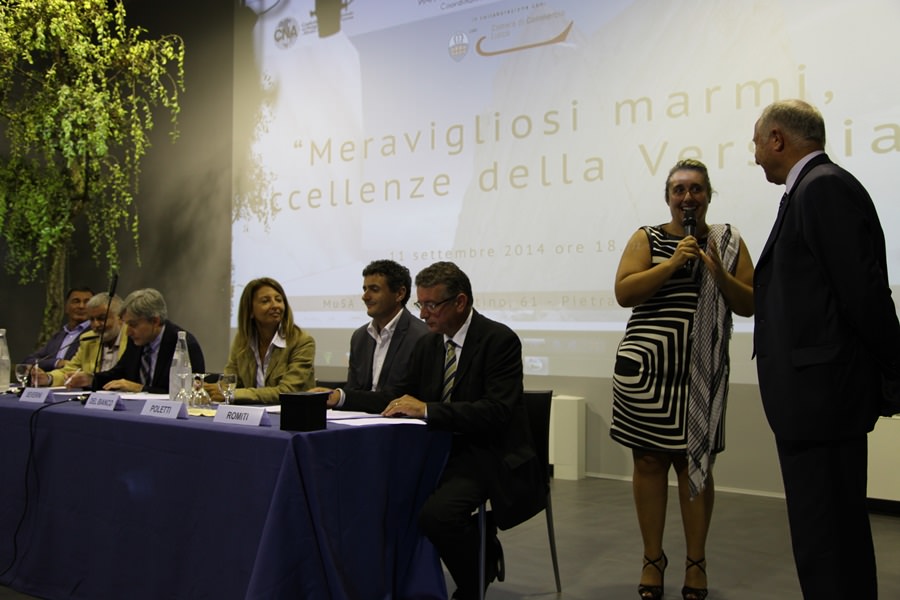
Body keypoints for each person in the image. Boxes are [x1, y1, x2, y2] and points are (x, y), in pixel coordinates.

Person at [751, 99, 900, 599]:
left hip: (822, 401)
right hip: (815, 401)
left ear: (777, 139)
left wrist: (894, 368)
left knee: (829, 543)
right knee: (827, 539)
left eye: (756, 143)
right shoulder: (812, 189)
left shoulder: (822, 187)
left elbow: (862, 293)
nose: (755, 156)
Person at [610, 159, 754, 600]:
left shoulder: (728, 241)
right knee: (649, 464)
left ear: (708, 194)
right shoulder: (647, 238)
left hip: (702, 374)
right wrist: (673, 263)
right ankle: (652, 559)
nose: (687, 197)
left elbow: (750, 303)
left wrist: (719, 274)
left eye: (695, 189)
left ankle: (696, 563)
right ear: (668, 197)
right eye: (679, 190)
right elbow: (624, 292)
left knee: (696, 468)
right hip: (647, 372)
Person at [380, 261, 545, 600]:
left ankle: (475, 579)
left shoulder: (499, 340)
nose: (423, 314)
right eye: (420, 304)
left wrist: (427, 410)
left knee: (437, 516)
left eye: (431, 305)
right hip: (438, 449)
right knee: (387, 498)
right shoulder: (429, 344)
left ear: (460, 302)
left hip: (489, 453)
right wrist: (339, 397)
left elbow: (496, 412)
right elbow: (395, 396)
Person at [322, 259, 429, 413]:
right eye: (365, 289)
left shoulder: (422, 337)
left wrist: (341, 397)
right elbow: (354, 388)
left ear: (399, 293)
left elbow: (400, 396)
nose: (365, 296)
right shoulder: (360, 337)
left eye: (374, 289)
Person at [204, 277, 314, 405]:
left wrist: (231, 393)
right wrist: (209, 389)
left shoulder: (302, 341)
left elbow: (287, 391)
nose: (275, 305)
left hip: (292, 414)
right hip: (252, 414)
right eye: (265, 301)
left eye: (279, 300)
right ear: (250, 311)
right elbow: (230, 381)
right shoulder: (242, 340)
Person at [93, 288, 205, 394]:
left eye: (133, 325)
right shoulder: (137, 340)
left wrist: (141, 388)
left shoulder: (184, 344)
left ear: (155, 321)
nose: (128, 332)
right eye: (127, 324)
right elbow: (119, 374)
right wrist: (91, 379)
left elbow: (186, 392)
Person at [31, 293, 127, 389]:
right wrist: (48, 378)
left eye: (102, 319)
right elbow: (69, 371)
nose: (96, 325)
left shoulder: (131, 338)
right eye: (91, 320)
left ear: (120, 318)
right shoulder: (88, 339)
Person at [23, 286, 94, 371]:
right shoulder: (58, 336)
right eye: (76, 301)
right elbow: (29, 361)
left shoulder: (95, 335)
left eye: (87, 302)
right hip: (48, 378)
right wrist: (56, 363)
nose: (81, 306)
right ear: (66, 307)